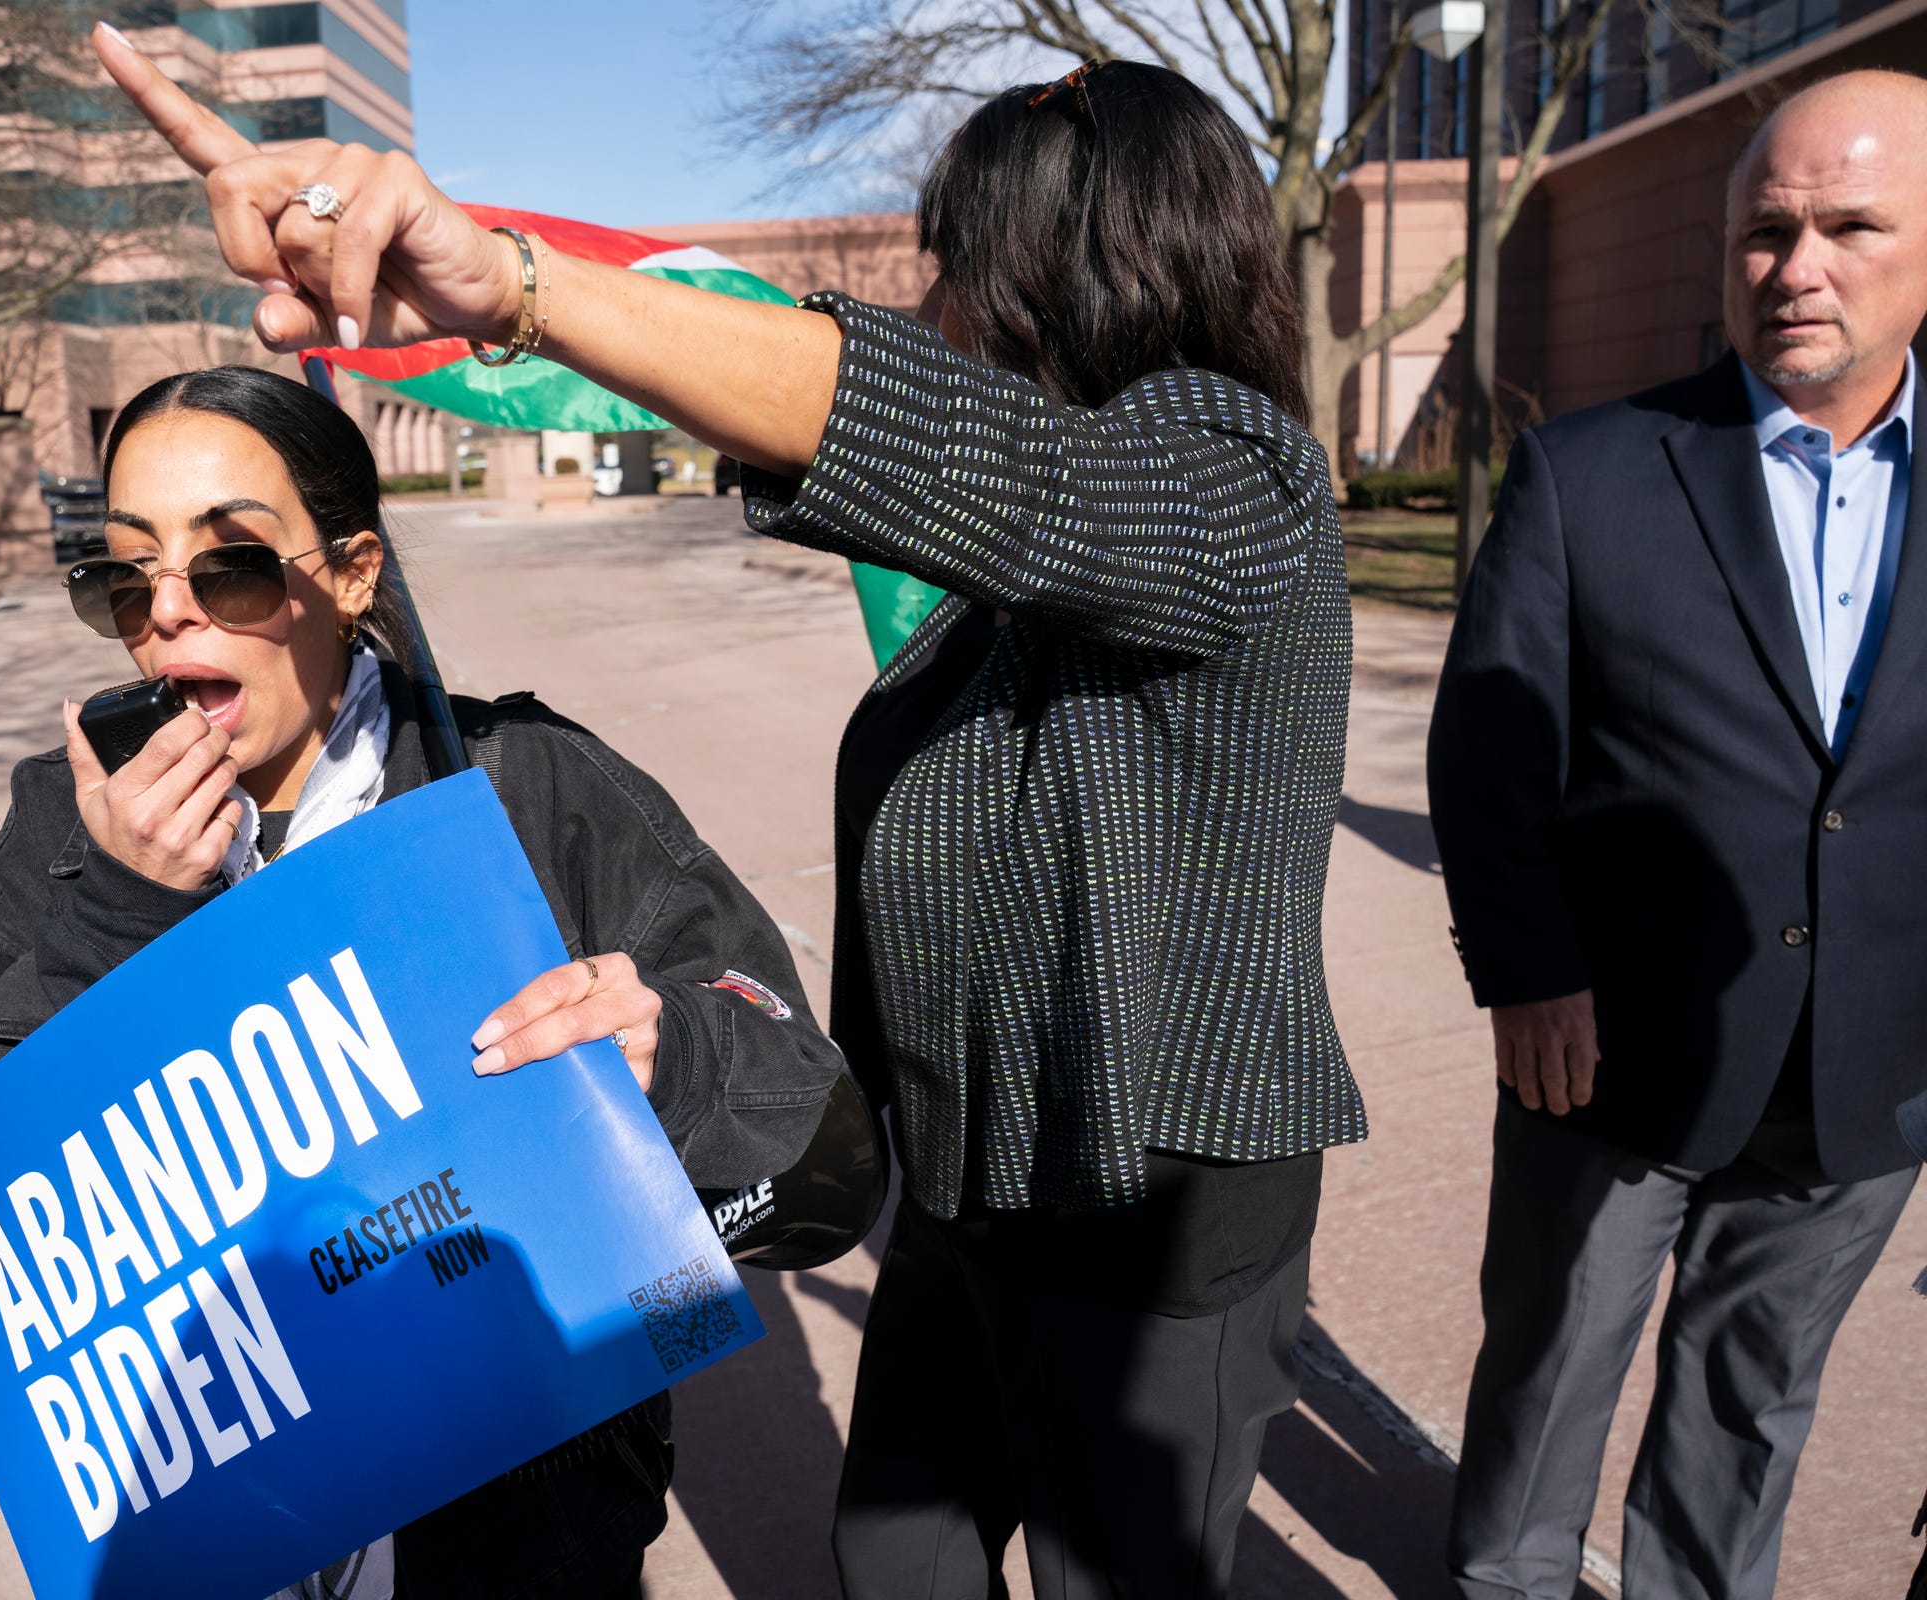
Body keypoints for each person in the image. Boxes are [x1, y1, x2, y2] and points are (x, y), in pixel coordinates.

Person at [94, 32, 1362, 1597]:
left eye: (960, 268)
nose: (936, 308)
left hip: (1145, 1204)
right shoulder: (1008, 586)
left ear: (1074, 282)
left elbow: (990, 471)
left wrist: (513, 284)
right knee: (895, 1552)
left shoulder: (1238, 484)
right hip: (970, 1194)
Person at [0, 365, 846, 1599]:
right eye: (125, 576)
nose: (167, 614)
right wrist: (113, 919)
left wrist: (682, 1060)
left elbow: (825, 1171)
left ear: (349, 573)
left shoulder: (532, 789)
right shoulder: (57, 834)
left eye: (227, 566)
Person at [1427, 70, 1927, 1600]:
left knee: (1748, 1412)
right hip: (1603, 1061)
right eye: (1764, 234)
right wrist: (1526, 973)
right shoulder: (1590, 471)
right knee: (1544, 1398)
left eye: (1852, 226)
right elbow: (1489, 749)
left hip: (1861, 1078)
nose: (1798, 269)